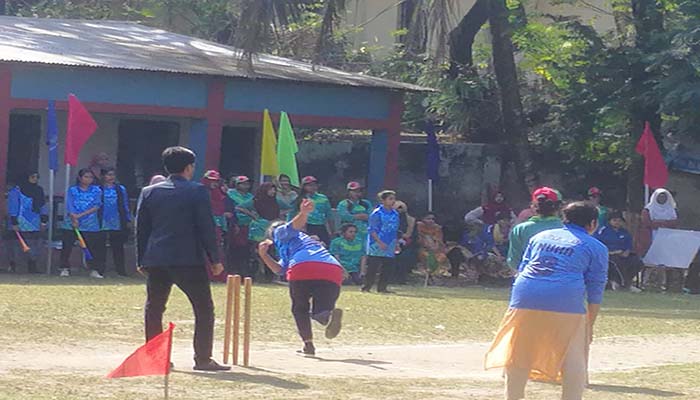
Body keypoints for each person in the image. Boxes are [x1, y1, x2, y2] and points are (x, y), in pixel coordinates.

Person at [485, 202, 608, 400]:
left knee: (520, 352)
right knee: (573, 352)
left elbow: (522, 269)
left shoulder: (539, 237)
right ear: (592, 223)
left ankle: (513, 397)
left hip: (525, 295)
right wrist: (589, 325)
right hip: (564, 297)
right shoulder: (595, 246)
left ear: (563, 219)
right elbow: (595, 289)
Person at [136, 146, 229, 371]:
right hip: (188, 259)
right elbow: (206, 226)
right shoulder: (197, 191)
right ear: (189, 167)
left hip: (157, 257)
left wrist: (141, 259)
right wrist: (215, 258)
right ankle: (203, 359)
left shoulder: (149, 191)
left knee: (154, 308)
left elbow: (141, 228)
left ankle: (155, 358)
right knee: (204, 308)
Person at [257, 198, 344, 356]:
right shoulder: (300, 244)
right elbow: (280, 269)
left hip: (302, 266)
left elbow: (293, 226)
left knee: (300, 308)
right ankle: (327, 315)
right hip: (332, 268)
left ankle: (308, 344)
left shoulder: (280, 232)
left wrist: (303, 213)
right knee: (321, 312)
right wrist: (264, 256)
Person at [60, 168, 104, 278]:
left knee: (92, 247)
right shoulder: (72, 190)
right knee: (67, 246)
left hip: (90, 224)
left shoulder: (97, 190)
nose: (88, 179)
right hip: (72, 223)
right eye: (86, 177)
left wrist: (80, 216)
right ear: (80, 178)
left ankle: (94, 269)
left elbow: (96, 205)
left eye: (90, 177)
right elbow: (69, 204)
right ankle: (64, 268)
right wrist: (74, 217)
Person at [507, 187, 563, 270]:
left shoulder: (520, 229)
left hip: (529, 278)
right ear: (559, 206)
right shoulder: (567, 228)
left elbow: (513, 262)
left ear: (533, 206)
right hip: (561, 279)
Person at [636, 188, 679, 291]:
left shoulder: (672, 210)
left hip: (667, 239)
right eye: (660, 196)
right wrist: (664, 223)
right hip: (651, 238)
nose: (662, 198)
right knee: (650, 262)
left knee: (664, 263)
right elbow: (647, 223)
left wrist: (658, 223)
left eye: (664, 196)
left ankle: (664, 285)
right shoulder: (648, 210)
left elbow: (674, 223)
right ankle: (646, 284)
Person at [6, 172, 48, 273]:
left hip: (35, 222)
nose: (35, 179)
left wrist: (44, 221)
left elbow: (42, 205)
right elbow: (13, 206)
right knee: (16, 245)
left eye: (37, 177)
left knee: (35, 244)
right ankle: (15, 266)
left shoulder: (39, 190)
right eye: (32, 177)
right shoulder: (16, 191)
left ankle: (32, 266)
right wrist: (14, 222)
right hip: (19, 221)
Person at [362, 190, 400, 293]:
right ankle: (367, 286)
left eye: (394, 199)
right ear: (383, 200)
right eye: (390, 199)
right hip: (376, 243)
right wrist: (379, 242)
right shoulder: (377, 213)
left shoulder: (395, 214)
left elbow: (394, 229)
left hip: (390, 243)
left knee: (388, 267)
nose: (393, 201)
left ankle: (382, 287)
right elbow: (372, 230)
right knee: (373, 267)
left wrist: (396, 243)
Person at [595, 211, 643, 292]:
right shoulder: (603, 231)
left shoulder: (624, 232)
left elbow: (629, 245)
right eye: (614, 220)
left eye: (619, 221)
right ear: (609, 221)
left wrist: (626, 251)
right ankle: (619, 283)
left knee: (637, 262)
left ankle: (627, 283)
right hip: (608, 255)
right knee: (616, 263)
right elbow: (598, 244)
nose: (617, 222)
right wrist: (611, 252)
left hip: (622, 254)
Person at [97, 167, 132, 277]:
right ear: (103, 176)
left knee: (118, 247)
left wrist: (127, 218)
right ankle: (99, 270)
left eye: (112, 175)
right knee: (100, 246)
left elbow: (125, 204)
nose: (111, 177)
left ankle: (120, 271)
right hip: (101, 220)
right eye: (108, 175)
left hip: (117, 220)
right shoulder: (98, 189)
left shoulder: (120, 189)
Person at [201, 170, 228, 282]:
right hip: (204, 225)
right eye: (211, 180)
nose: (214, 183)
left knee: (217, 249)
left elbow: (221, 210)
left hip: (217, 226)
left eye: (216, 181)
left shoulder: (218, 194)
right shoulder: (201, 192)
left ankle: (217, 275)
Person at [226, 175, 254, 277]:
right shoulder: (230, 193)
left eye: (247, 183)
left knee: (245, 248)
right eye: (243, 183)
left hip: (248, 224)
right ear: (237, 184)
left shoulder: (250, 197)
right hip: (234, 223)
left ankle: (244, 271)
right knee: (233, 247)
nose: (246, 185)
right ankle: (232, 270)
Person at [295, 176, 333, 246]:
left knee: (325, 245)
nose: (313, 187)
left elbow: (329, 214)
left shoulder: (323, 198)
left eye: (314, 185)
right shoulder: (300, 199)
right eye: (309, 185)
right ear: (304, 187)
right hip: (308, 226)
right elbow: (295, 214)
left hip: (321, 225)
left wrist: (331, 230)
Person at [416, 212, 449, 279]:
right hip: (423, 248)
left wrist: (436, 246)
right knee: (425, 255)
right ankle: (428, 274)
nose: (431, 221)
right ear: (423, 219)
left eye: (432, 219)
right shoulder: (419, 226)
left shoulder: (437, 228)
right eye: (428, 219)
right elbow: (419, 240)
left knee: (441, 256)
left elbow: (439, 240)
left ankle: (434, 274)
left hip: (436, 249)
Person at [393, 200, 418, 284]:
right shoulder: (388, 220)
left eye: (401, 209)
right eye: (397, 209)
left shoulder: (411, 221)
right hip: (389, 244)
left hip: (407, 246)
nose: (399, 211)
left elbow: (414, 237)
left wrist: (404, 241)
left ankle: (401, 278)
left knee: (406, 256)